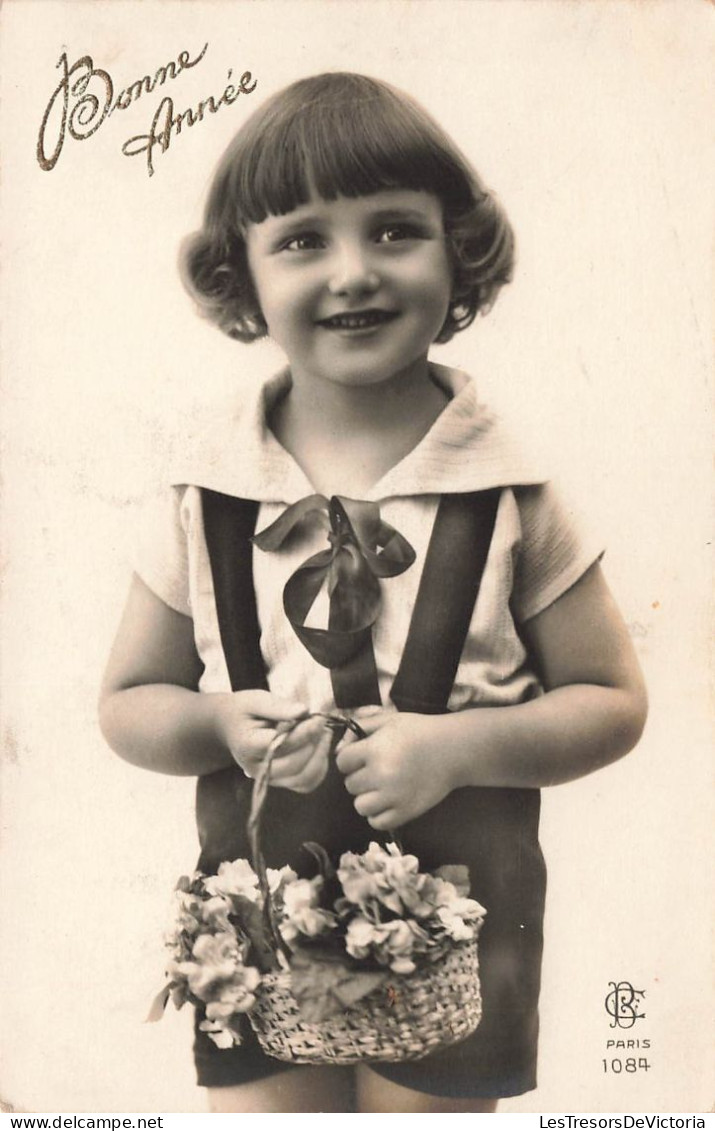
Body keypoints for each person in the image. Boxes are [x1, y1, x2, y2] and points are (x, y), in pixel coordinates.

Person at [99, 72, 647, 1114]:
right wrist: (216, 721)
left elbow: (611, 702)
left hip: (461, 909)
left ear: (459, 251)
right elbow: (128, 704)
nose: (353, 273)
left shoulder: (512, 490)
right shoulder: (200, 491)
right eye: (302, 240)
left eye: (394, 231)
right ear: (240, 275)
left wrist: (459, 748)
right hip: (253, 911)